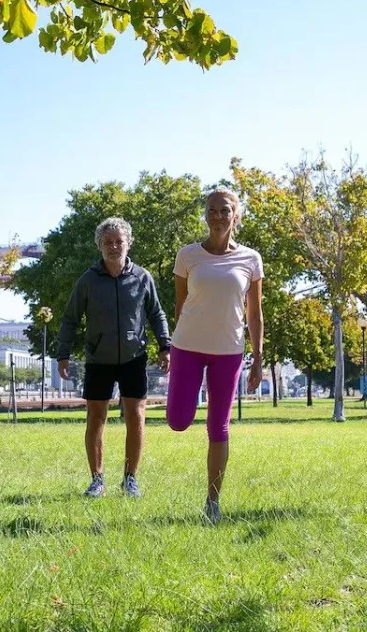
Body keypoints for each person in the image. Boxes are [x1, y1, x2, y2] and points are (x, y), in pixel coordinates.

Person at [165, 189, 263, 524]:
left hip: (228, 351)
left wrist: (258, 357)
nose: (218, 216)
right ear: (205, 215)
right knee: (178, 421)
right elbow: (180, 306)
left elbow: (254, 314)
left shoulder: (251, 259)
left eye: (225, 210)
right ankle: (183, 406)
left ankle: (212, 502)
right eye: (212, 210)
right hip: (187, 347)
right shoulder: (188, 255)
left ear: (236, 215)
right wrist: (184, 338)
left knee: (218, 426)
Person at [56, 217, 172, 498]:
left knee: (136, 416)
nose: (113, 246)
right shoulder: (88, 280)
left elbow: (156, 313)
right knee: (96, 418)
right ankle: (97, 480)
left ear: (128, 242)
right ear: (99, 246)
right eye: (107, 242)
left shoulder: (142, 277)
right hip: (99, 360)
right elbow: (70, 319)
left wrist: (165, 345)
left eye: (118, 241)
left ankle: (130, 479)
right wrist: (63, 354)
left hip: (134, 358)